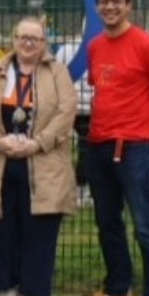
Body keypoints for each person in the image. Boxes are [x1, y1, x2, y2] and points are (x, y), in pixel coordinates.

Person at [78, 0, 149, 296]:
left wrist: (144, 129)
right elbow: (101, 93)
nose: (109, 7)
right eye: (103, 2)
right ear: (97, 7)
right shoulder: (94, 47)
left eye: (115, 2)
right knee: (107, 222)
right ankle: (118, 291)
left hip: (135, 146)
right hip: (99, 144)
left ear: (129, 5)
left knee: (145, 223)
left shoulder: (148, 45)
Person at [0, 17, 78, 296]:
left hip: (43, 163)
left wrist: (38, 143)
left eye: (35, 38)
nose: (28, 43)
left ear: (44, 43)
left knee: (39, 228)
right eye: (23, 37)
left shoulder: (57, 72)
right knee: (0, 228)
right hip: (0, 161)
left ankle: (31, 292)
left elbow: (65, 110)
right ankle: (5, 290)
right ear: (14, 39)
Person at [54, 38, 94, 207]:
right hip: (89, 107)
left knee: (60, 149)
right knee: (86, 149)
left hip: (69, 104)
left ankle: (65, 189)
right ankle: (82, 189)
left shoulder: (66, 49)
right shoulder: (97, 47)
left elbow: (56, 73)